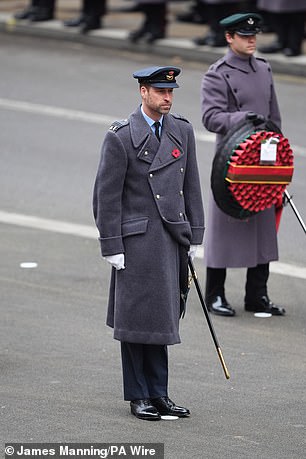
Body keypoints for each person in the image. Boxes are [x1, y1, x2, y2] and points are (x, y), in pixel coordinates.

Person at [93, 66, 205, 420]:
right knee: (136, 320)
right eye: (160, 92)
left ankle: (159, 393)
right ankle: (138, 395)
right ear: (143, 92)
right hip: (137, 241)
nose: (167, 98)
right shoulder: (121, 136)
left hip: (172, 238)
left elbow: (192, 188)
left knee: (162, 319)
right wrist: (112, 244)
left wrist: (196, 234)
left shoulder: (182, 131)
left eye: (171, 92)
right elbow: (106, 197)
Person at [200, 13, 286, 317]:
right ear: (229, 38)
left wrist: (280, 161)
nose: (251, 41)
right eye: (244, 36)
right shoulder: (218, 73)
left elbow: (274, 117)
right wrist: (242, 117)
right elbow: (211, 118)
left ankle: (257, 295)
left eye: (254, 36)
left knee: (263, 228)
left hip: (263, 157)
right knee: (225, 228)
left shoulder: (264, 68)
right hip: (231, 160)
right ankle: (214, 294)